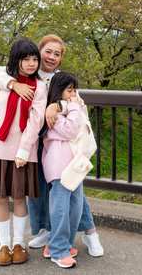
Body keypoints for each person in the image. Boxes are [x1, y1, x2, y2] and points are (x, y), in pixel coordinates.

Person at [0, 34, 104, 257]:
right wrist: (14, 85)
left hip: (59, 141)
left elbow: (78, 105)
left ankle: (90, 231)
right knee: (37, 188)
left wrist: (56, 106)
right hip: (33, 142)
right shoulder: (25, 72)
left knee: (69, 185)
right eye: (47, 52)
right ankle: (46, 230)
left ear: (60, 60)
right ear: (38, 52)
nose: (51, 57)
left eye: (57, 54)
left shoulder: (62, 79)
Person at [0, 38, 47, 266]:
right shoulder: (5, 83)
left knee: (19, 197)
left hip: (22, 153)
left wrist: (24, 151)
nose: (32, 63)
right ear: (17, 60)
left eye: (35, 58)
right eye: (26, 59)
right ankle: (3, 245)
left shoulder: (40, 87)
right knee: (0, 198)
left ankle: (19, 244)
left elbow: (35, 123)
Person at [41, 71, 88, 268]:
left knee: (75, 208)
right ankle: (58, 251)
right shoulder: (53, 114)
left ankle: (57, 244)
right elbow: (69, 130)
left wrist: (74, 106)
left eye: (75, 90)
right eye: (69, 90)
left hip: (73, 166)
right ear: (58, 91)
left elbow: (84, 123)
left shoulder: (67, 108)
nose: (73, 94)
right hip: (59, 166)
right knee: (61, 209)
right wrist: (74, 107)